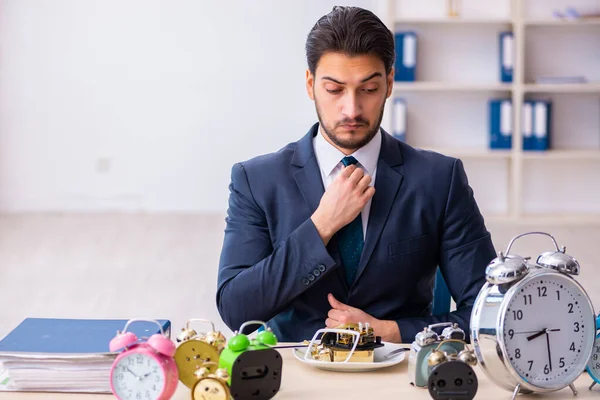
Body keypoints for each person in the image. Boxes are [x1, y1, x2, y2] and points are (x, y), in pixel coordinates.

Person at [216, 5, 496, 343]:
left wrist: (387, 331)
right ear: (310, 84)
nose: (351, 109)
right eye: (334, 90)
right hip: (296, 374)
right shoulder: (257, 180)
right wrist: (322, 226)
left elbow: (487, 310)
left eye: (368, 89)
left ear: (390, 83)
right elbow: (235, 308)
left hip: (400, 375)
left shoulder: (440, 179)